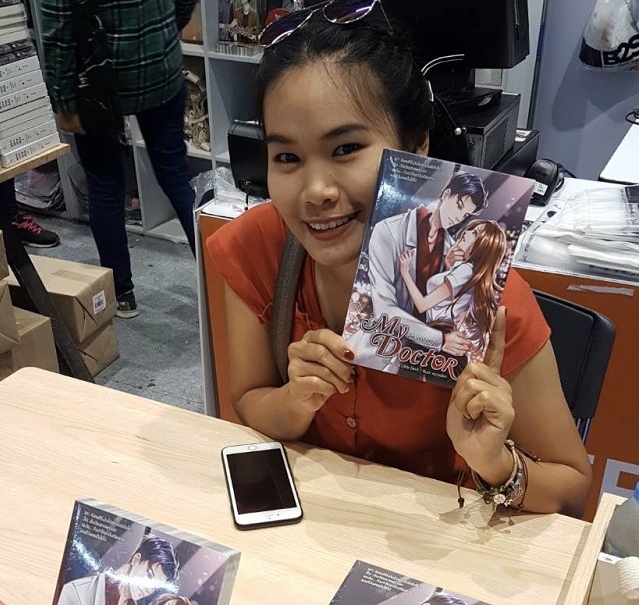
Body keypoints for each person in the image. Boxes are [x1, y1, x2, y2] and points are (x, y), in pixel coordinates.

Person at [205, 2, 591, 516]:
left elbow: (572, 487)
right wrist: (295, 400)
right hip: (312, 528)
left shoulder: (484, 296)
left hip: (439, 538)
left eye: (345, 149)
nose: (316, 191)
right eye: (287, 157)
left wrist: (495, 462)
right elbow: (249, 399)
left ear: (416, 145)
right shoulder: (258, 247)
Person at [41, 0, 199, 318]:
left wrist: (63, 101)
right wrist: (166, 29)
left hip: (100, 72)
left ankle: (121, 293)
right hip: (159, 61)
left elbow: (57, 25)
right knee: (176, 177)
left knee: (104, 185)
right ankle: (219, 283)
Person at [366, 172, 488, 359]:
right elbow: (383, 309)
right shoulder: (389, 231)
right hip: (383, 349)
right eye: (458, 206)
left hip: (427, 357)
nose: (459, 218)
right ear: (446, 194)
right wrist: (440, 340)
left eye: (465, 215)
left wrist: (448, 269)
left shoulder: (451, 249)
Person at [399, 219, 506, 363]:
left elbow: (422, 305)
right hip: (442, 335)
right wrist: (448, 267)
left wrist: (405, 273)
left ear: (483, 246)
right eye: (470, 229)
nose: (467, 233)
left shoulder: (465, 270)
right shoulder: (468, 270)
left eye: (474, 233)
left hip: (440, 337)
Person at [56, 535, 178, 605]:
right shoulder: (77, 591)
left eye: (155, 587)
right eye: (149, 575)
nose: (148, 589)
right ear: (136, 559)